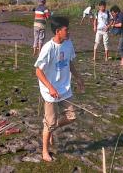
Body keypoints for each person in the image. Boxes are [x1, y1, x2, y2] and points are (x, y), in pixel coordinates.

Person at [34, 16, 84, 162]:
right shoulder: (48, 48)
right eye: (66, 29)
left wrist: (79, 78)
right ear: (58, 31)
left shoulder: (68, 44)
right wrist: (50, 88)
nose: (68, 32)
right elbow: (38, 70)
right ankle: (44, 151)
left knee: (71, 117)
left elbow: (70, 63)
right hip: (50, 92)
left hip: (65, 88)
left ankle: (50, 128)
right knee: (50, 122)